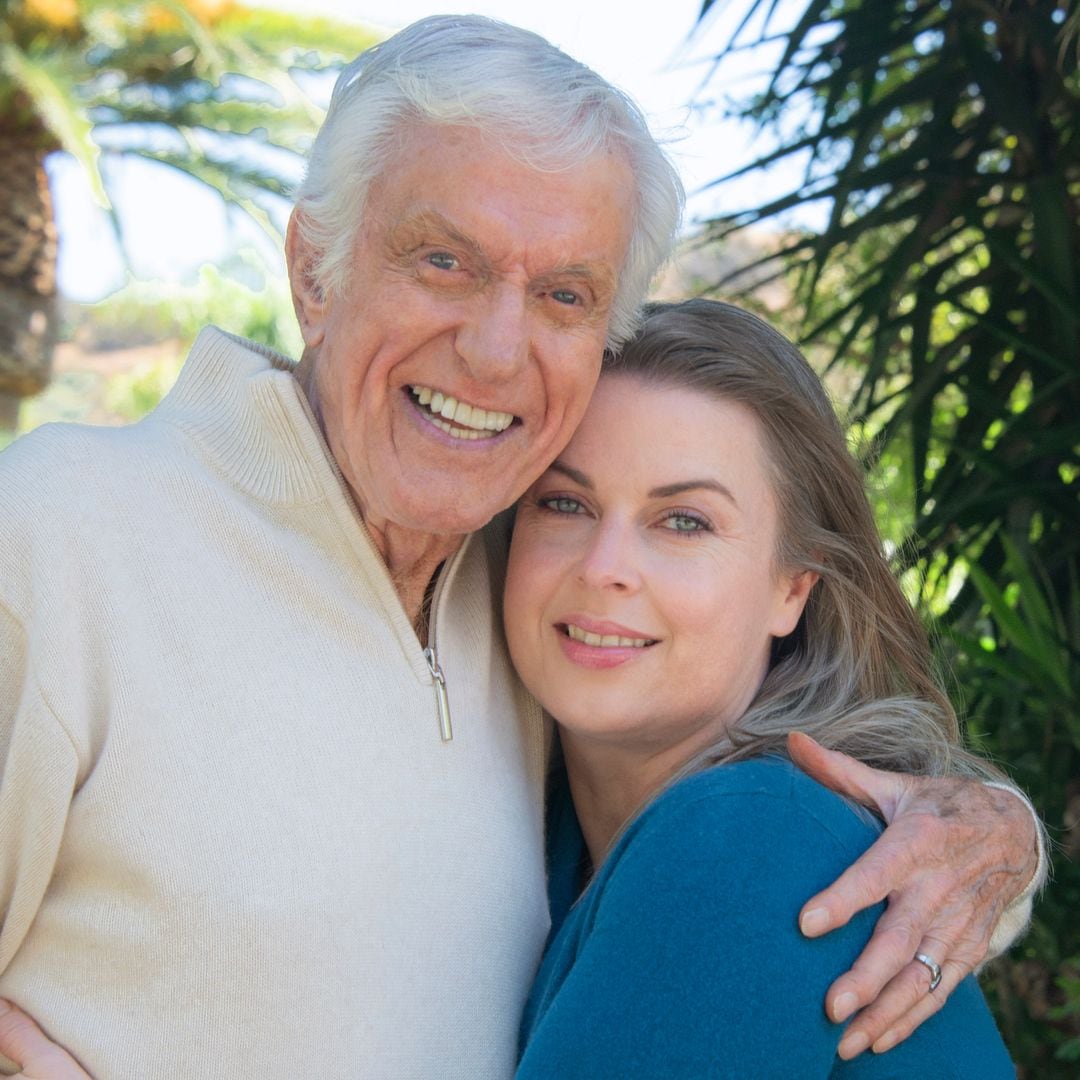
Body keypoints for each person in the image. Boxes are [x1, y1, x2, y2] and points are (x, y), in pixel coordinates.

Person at [0, 15, 1042, 1080]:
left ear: (797, 588)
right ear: (312, 266)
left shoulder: (537, 623)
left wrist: (994, 838)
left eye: (563, 295)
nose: (496, 353)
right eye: (444, 259)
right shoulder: (57, 537)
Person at [507, 299, 1018, 1074]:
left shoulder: (749, 838)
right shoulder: (541, 829)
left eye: (683, 522)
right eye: (564, 503)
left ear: (793, 588)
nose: (603, 564)